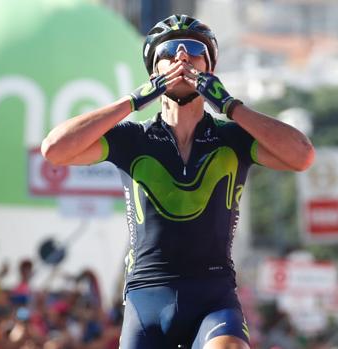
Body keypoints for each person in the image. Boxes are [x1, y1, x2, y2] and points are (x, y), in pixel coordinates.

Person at [41, 14, 315, 349]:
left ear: (210, 69)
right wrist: (133, 101)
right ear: (154, 72)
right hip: (147, 295)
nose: (181, 57)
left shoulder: (233, 138)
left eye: (194, 51)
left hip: (213, 293)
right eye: (169, 51)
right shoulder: (133, 139)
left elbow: (301, 156)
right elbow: (55, 149)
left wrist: (230, 106)